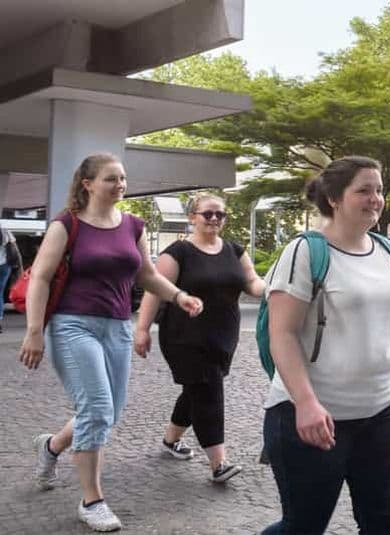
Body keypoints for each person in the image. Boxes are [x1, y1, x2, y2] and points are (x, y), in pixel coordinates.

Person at [19, 153, 203, 532]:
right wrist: (34, 330)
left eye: (122, 178)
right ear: (87, 183)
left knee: (108, 412)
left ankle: (52, 446)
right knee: (98, 408)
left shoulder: (132, 225)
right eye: (110, 179)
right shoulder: (66, 224)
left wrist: (178, 296)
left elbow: (146, 275)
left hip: (117, 326)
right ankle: (92, 501)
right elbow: (39, 278)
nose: (120, 185)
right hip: (73, 326)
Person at [261, 156, 390, 535]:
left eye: (379, 190)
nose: (376, 199)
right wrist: (306, 403)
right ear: (334, 198)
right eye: (364, 190)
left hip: (383, 414)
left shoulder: (389, 252)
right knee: (303, 526)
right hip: (315, 417)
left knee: (382, 524)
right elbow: (281, 333)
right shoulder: (305, 252)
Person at [134, 193, 266, 483]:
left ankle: (171, 440)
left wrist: (272, 288)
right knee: (207, 391)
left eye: (220, 214)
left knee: (196, 389)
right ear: (193, 217)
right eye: (208, 214)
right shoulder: (178, 252)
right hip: (185, 335)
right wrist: (142, 329)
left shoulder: (234, 249)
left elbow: (252, 281)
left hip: (223, 335)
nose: (215, 219)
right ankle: (218, 463)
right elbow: (155, 290)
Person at [0, 224, 22, 333]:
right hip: (5, 266)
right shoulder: (5, 231)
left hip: (5, 266)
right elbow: (16, 251)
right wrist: (20, 269)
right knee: (0, 294)